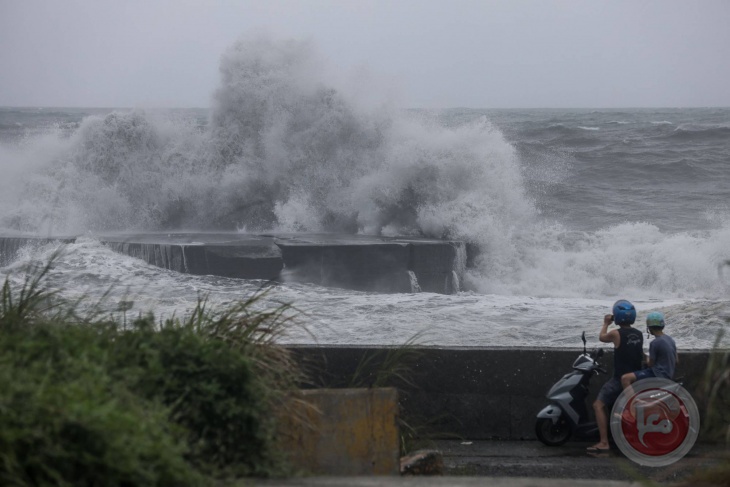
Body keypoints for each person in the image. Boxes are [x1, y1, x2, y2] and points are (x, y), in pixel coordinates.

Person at [588, 299, 643, 453]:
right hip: (635, 378)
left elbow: (602, 337)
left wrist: (606, 322)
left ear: (617, 316)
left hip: (620, 379)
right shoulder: (638, 334)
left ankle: (604, 442)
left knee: (598, 405)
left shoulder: (615, 333)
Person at [621, 311, 677, 389]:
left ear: (649, 328)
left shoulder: (654, 343)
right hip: (669, 375)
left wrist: (647, 357)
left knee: (626, 379)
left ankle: (634, 401)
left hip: (658, 375)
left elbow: (650, 364)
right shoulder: (670, 339)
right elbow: (676, 360)